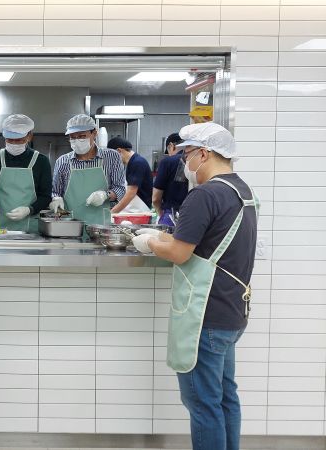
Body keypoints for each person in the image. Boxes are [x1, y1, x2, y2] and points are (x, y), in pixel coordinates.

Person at [131, 123, 258, 450]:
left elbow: (179, 253)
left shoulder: (204, 194)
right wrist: (163, 236)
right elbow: (205, 243)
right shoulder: (242, 192)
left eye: (186, 154)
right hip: (232, 312)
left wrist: (149, 243)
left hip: (206, 314)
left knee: (202, 403)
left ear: (204, 154)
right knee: (225, 397)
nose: (184, 162)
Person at [0, 114, 52, 233]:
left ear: (29, 136)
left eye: (18, 140)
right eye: (9, 139)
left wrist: (29, 210)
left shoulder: (41, 161)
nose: (13, 143)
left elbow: (45, 196)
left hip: (29, 228)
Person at [50, 114, 126, 226]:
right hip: (70, 225)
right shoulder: (62, 161)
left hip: (101, 225)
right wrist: (56, 199)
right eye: (72, 137)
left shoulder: (112, 157)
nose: (77, 141)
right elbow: (56, 192)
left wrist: (105, 195)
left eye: (82, 136)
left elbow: (120, 188)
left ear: (94, 133)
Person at [109, 137, 153, 214]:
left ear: (119, 151)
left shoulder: (137, 163)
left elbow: (131, 193)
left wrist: (112, 212)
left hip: (140, 211)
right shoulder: (131, 162)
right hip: (134, 210)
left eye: (112, 157)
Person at [153, 133, 189, 226]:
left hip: (171, 215)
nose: (169, 155)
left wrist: (160, 213)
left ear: (171, 146)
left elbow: (156, 198)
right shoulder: (196, 160)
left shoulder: (167, 162)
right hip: (192, 215)